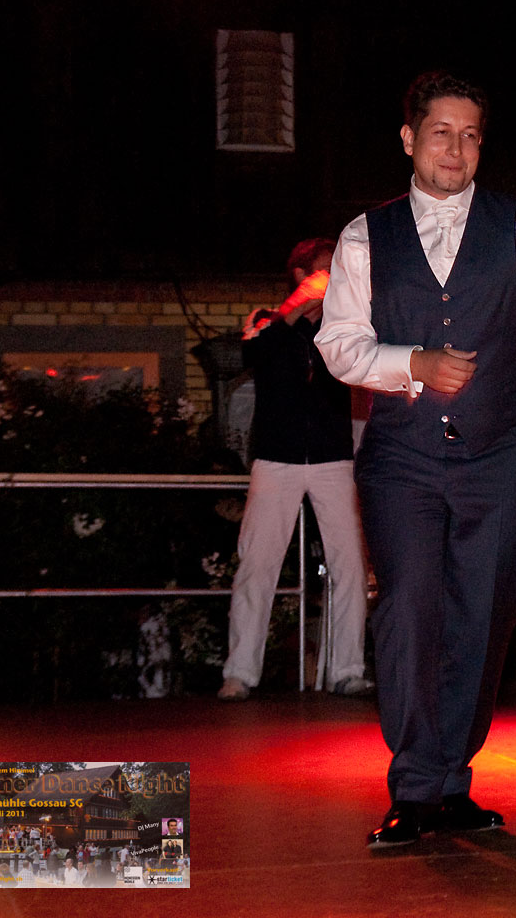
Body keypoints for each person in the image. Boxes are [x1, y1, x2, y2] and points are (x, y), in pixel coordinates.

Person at [315, 71, 516, 848]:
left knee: (484, 616)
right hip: (402, 457)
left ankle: (452, 780)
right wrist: (412, 363)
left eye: (470, 136)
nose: (456, 149)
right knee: (410, 611)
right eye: (441, 133)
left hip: (498, 455)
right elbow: (339, 345)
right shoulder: (364, 236)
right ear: (409, 139)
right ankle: (415, 786)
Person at [218, 238, 372, 701]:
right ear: (302, 276)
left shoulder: (343, 325)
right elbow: (251, 355)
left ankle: (347, 669)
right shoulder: (266, 320)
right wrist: (293, 310)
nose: (334, 278)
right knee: (257, 564)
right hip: (276, 458)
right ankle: (240, 672)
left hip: (333, 457)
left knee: (350, 565)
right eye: (325, 270)